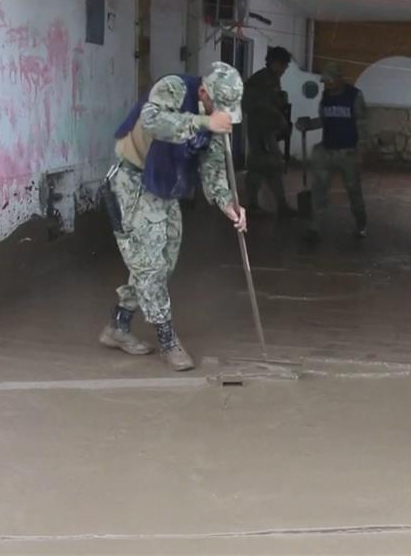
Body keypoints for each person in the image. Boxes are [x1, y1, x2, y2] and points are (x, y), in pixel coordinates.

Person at [99, 62, 247, 372]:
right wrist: (204, 121)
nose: (221, 117)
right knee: (149, 266)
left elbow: (213, 168)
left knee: (163, 263)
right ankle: (167, 340)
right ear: (204, 92)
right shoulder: (174, 87)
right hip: (133, 180)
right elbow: (153, 121)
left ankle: (118, 325)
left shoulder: (216, 120)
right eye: (216, 108)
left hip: (166, 187)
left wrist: (228, 202)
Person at [295, 62, 368, 242]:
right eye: (324, 81)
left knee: (353, 190)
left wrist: (362, 149)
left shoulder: (354, 96)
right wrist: (308, 125)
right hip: (327, 149)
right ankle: (314, 226)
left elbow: (363, 125)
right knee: (319, 188)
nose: (325, 85)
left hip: (348, 151)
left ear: (339, 79)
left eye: (329, 81)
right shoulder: (326, 95)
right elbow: (324, 120)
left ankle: (361, 224)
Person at [243, 46, 295, 218]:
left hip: (267, 131)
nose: (284, 70)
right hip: (261, 132)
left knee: (267, 167)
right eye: (284, 66)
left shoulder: (272, 79)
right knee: (264, 167)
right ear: (275, 63)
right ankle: (258, 205)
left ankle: (278, 206)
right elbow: (253, 104)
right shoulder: (261, 80)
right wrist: (276, 115)